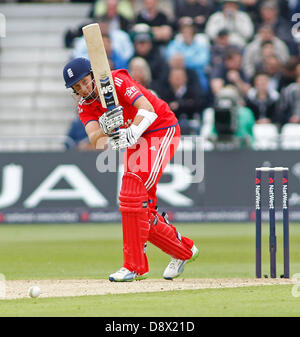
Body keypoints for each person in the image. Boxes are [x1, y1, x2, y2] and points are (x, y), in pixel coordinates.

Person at [63, 57, 199, 282]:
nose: (83, 89)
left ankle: (133, 267)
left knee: (132, 191)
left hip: (160, 128)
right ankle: (183, 250)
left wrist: (132, 132)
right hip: (136, 139)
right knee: (138, 208)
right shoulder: (84, 106)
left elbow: (147, 110)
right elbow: (95, 139)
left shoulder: (116, 81)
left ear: (93, 75)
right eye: (76, 87)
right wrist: (106, 128)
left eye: (84, 81)